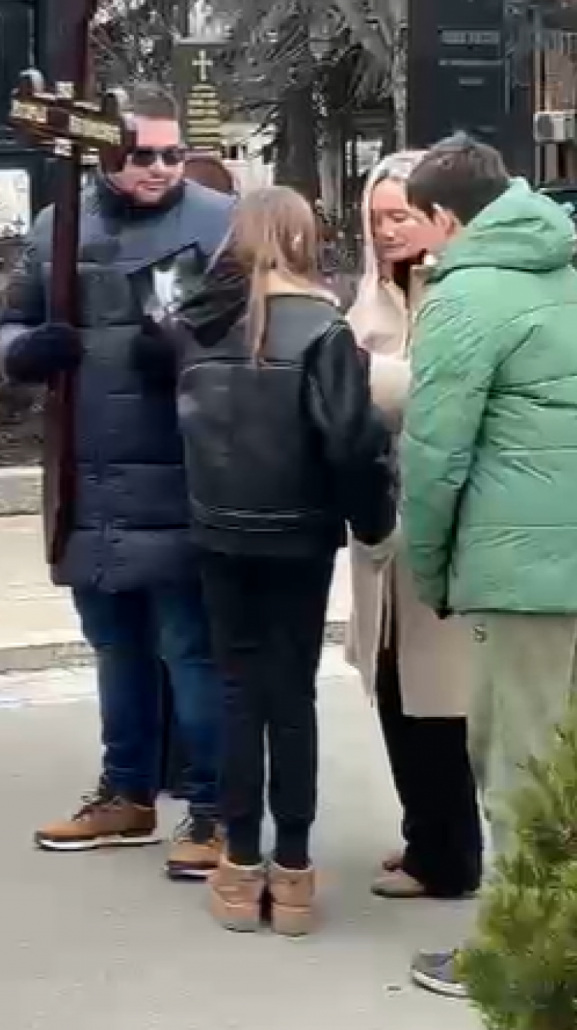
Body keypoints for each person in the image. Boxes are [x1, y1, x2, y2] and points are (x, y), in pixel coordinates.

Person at [0, 84, 234, 880]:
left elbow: (254, 329)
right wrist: (25, 353)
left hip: (182, 474)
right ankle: (127, 792)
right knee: (115, 648)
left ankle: (216, 811)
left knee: (191, 651)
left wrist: (189, 349)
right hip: (88, 480)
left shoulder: (217, 220)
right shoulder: (57, 225)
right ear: (105, 154)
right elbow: (13, 321)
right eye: (142, 155)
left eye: (173, 153)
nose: (161, 168)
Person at [174, 186, 396, 934]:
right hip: (300, 535)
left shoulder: (200, 325)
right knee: (292, 698)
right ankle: (293, 873)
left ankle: (240, 865)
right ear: (304, 239)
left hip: (219, 533)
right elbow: (353, 444)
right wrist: (373, 524)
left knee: (238, 694)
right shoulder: (325, 330)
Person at [399, 135, 577, 997]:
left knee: (518, 765)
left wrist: (430, 568)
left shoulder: (466, 296)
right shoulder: (566, 274)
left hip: (522, 572)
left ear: (445, 216)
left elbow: (435, 455)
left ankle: (519, 960)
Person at [347, 152, 482, 902]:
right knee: (395, 688)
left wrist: (361, 379)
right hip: (380, 530)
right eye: (377, 219)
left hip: (444, 525)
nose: (388, 231)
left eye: (400, 215)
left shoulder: (461, 294)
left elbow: (442, 392)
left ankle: (452, 856)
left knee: (441, 701)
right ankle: (423, 837)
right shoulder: (371, 297)